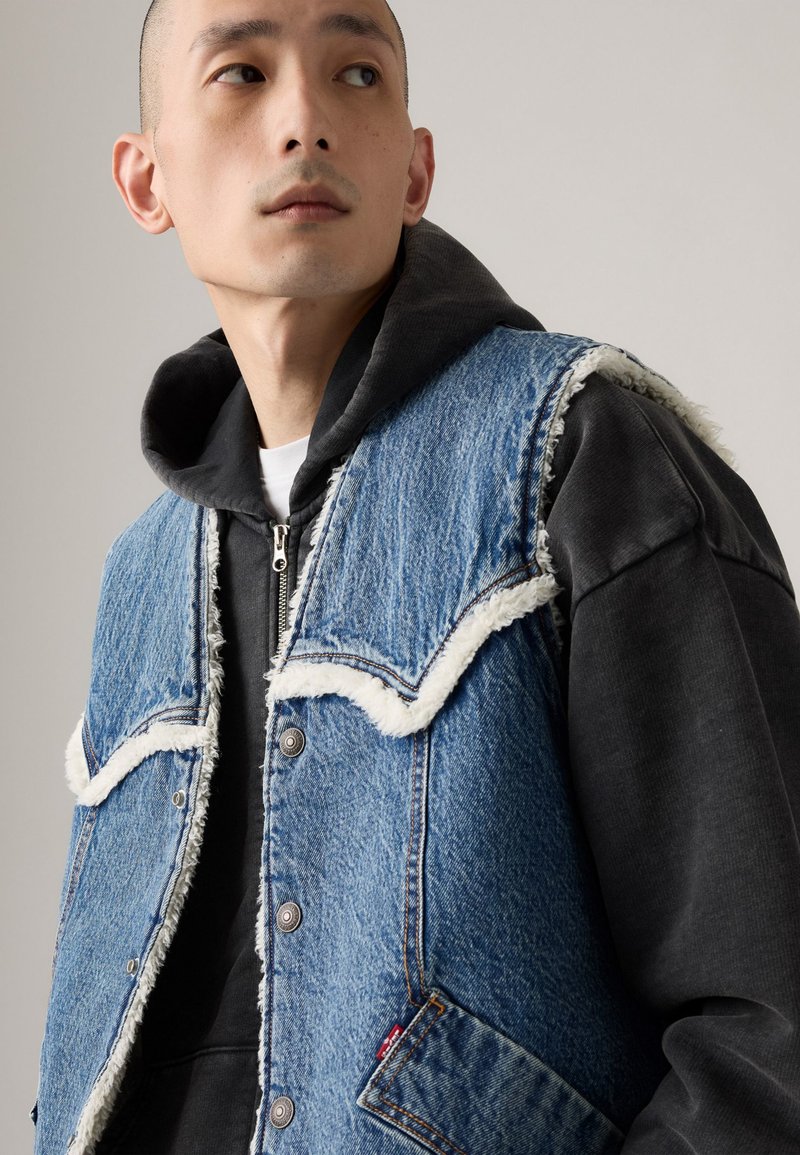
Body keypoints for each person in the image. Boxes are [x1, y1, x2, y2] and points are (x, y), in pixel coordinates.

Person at [32, 0, 800, 1152]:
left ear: (415, 170)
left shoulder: (578, 454)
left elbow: (765, 1025)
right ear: (147, 182)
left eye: (357, 74)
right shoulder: (140, 577)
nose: (304, 119)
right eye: (241, 73)